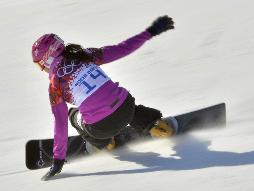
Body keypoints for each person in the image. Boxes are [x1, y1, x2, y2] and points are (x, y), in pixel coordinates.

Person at [32, 15, 175, 179]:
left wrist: (58, 160)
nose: (41, 69)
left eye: (39, 64)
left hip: (101, 128)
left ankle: (106, 144)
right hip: (126, 107)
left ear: (47, 60)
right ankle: (156, 125)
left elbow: (61, 123)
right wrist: (151, 32)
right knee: (118, 102)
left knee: (73, 115)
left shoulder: (54, 85)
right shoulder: (85, 54)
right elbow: (122, 48)